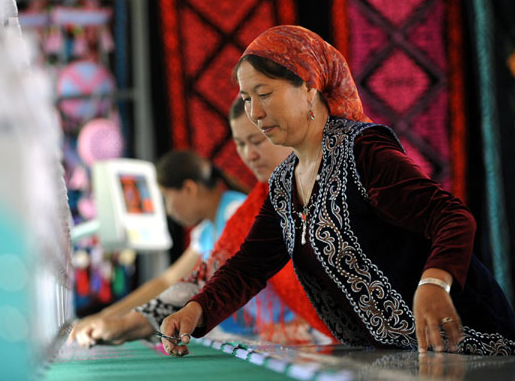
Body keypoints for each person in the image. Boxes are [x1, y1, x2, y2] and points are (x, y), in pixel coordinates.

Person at [160, 25, 515, 357]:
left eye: (264, 94)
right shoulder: (285, 183)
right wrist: (196, 310)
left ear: (310, 87)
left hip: (467, 344)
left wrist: (435, 284)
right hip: (394, 359)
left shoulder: (364, 152)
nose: (255, 112)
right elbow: (249, 266)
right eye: (247, 99)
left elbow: (451, 217)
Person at [68, 97, 336, 347]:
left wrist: (123, 322)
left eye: (257, 140)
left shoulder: (237, 209)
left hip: (316, 338)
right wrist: (116, 320)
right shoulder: (255, 206)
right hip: (305, 341)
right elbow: (191, 279)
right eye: (241, 144)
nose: (249, 155)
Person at [68, 149, 246, 347]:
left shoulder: (235, 213)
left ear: (189, 189)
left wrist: (124, 322)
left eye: (167, 198)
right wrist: (105, 317)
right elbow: (166, 281)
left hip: (271, 333)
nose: (169, 210)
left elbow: (194, 285)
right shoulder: (205, 232)